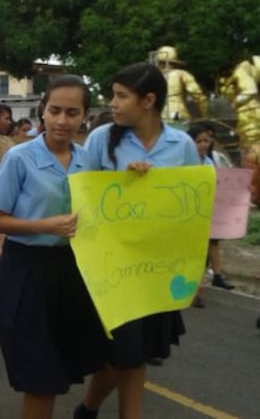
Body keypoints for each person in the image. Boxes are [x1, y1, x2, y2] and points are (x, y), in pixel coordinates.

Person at [74, 63, 201, 419]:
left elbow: (193, 208)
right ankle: (91, 407)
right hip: (113, 270)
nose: (112, 103)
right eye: (113, 94)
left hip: (157, 270)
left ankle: (89, 409)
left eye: (121, 96)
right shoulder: (100, 140)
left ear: (148, 101)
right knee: (123, 355)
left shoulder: (183, 145)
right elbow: (81, 201)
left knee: (136, 355)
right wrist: (124, 186)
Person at [0, 75, 105, 419]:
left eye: (72, 112)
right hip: (25, 269)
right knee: (40, 376)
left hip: (72, 270)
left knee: (79, 360)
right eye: (55, 111)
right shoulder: (19, 158)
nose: (62, 121)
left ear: (84, 115)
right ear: (43, 111)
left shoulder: (88, 162)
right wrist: (45, 225)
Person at [186, 124, 235, 300]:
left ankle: (202, 285)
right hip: (187, 212)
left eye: (206, 140)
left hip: (206, 211)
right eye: (198, 141)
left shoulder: (209, 162)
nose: (203, 144)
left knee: (205, 247)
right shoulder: (184, 160)